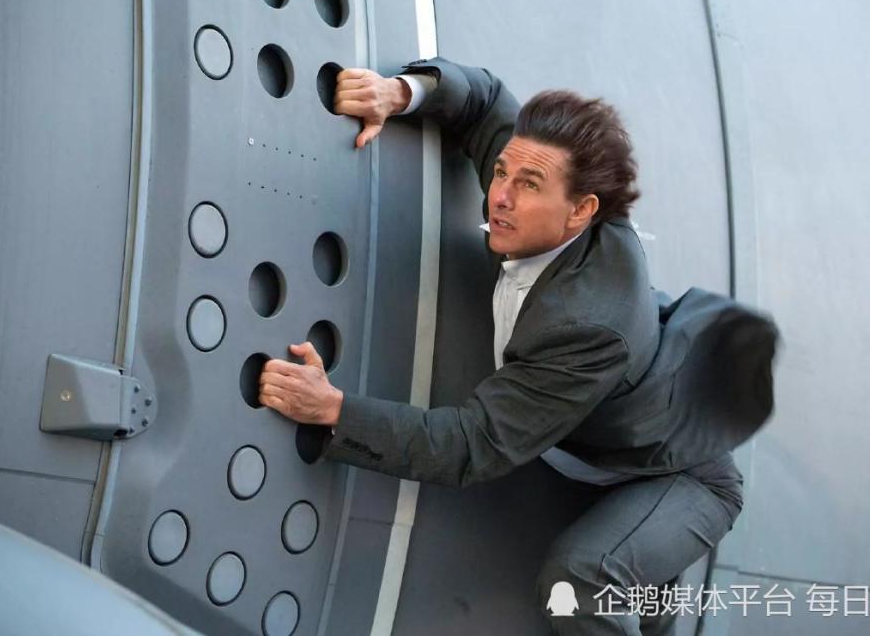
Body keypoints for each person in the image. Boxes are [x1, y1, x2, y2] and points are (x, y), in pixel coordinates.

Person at [258, 57, 778, 635]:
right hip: (633, 418)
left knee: (577, 583)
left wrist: (333, 410)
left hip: (683, 474)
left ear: (581, 211)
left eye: (527, 185)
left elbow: (473, 446)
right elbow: (484, 100)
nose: (499, 197)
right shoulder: (535, 182)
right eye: (501, 172)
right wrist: (397, 93)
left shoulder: (588, 327)